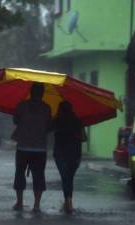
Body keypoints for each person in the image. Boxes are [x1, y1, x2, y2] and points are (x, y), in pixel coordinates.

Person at [11, 82, 52, 213]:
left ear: (30, 92)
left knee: (19, 174)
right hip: (40, 148)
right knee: (39, 175)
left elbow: (15, 121)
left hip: (23, 146)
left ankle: (19, 202)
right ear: (42, 94)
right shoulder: (47, 108)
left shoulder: (21, 106)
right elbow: (49, 126)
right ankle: (36, 205)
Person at [52, 100, 84, 214]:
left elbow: (48, 128)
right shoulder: (77, 120)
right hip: (75, 153)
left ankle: (68, 202)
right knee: (69, 178)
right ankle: (68, 202)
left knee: (65, 178)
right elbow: (83, 138)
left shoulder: (57, 121)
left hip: (61, 154)